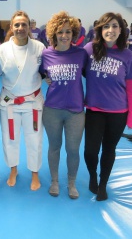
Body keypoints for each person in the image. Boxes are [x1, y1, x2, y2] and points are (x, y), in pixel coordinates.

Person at [82, 12, 132, 201]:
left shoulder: (128, 55)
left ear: (121, 30)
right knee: (90, 151)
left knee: (109, 150)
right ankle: (92, 176)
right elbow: (76, 70)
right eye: (106, 26)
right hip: (94, 110)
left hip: (118, 112)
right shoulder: (89, 49)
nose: (111, 30)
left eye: (115, 26)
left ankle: (103, 183)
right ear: (100, 29)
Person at [0, 10, 45, 190]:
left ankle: (35, 173)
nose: (20, 28)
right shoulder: (1, 50)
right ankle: (13, 169)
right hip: (9, 102)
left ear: (29, 26)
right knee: (10, 138)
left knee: (34, 139)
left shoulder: (39, 47)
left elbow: (47, 71)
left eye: (24, 24)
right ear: (11, 27)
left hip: (33, 101)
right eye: (17, 25)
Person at [39, 11, 85, 199]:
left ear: (73, 33)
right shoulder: (47, 54)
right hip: (52, 109)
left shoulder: (81, 54)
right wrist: (45, 78)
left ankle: (72, 182)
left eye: (68, 32)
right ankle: (55, 181)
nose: (64, 36)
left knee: (73, 149)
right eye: (60, 32)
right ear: (53, 34)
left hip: (75, 111)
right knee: (54, 146)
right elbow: (41, 72)